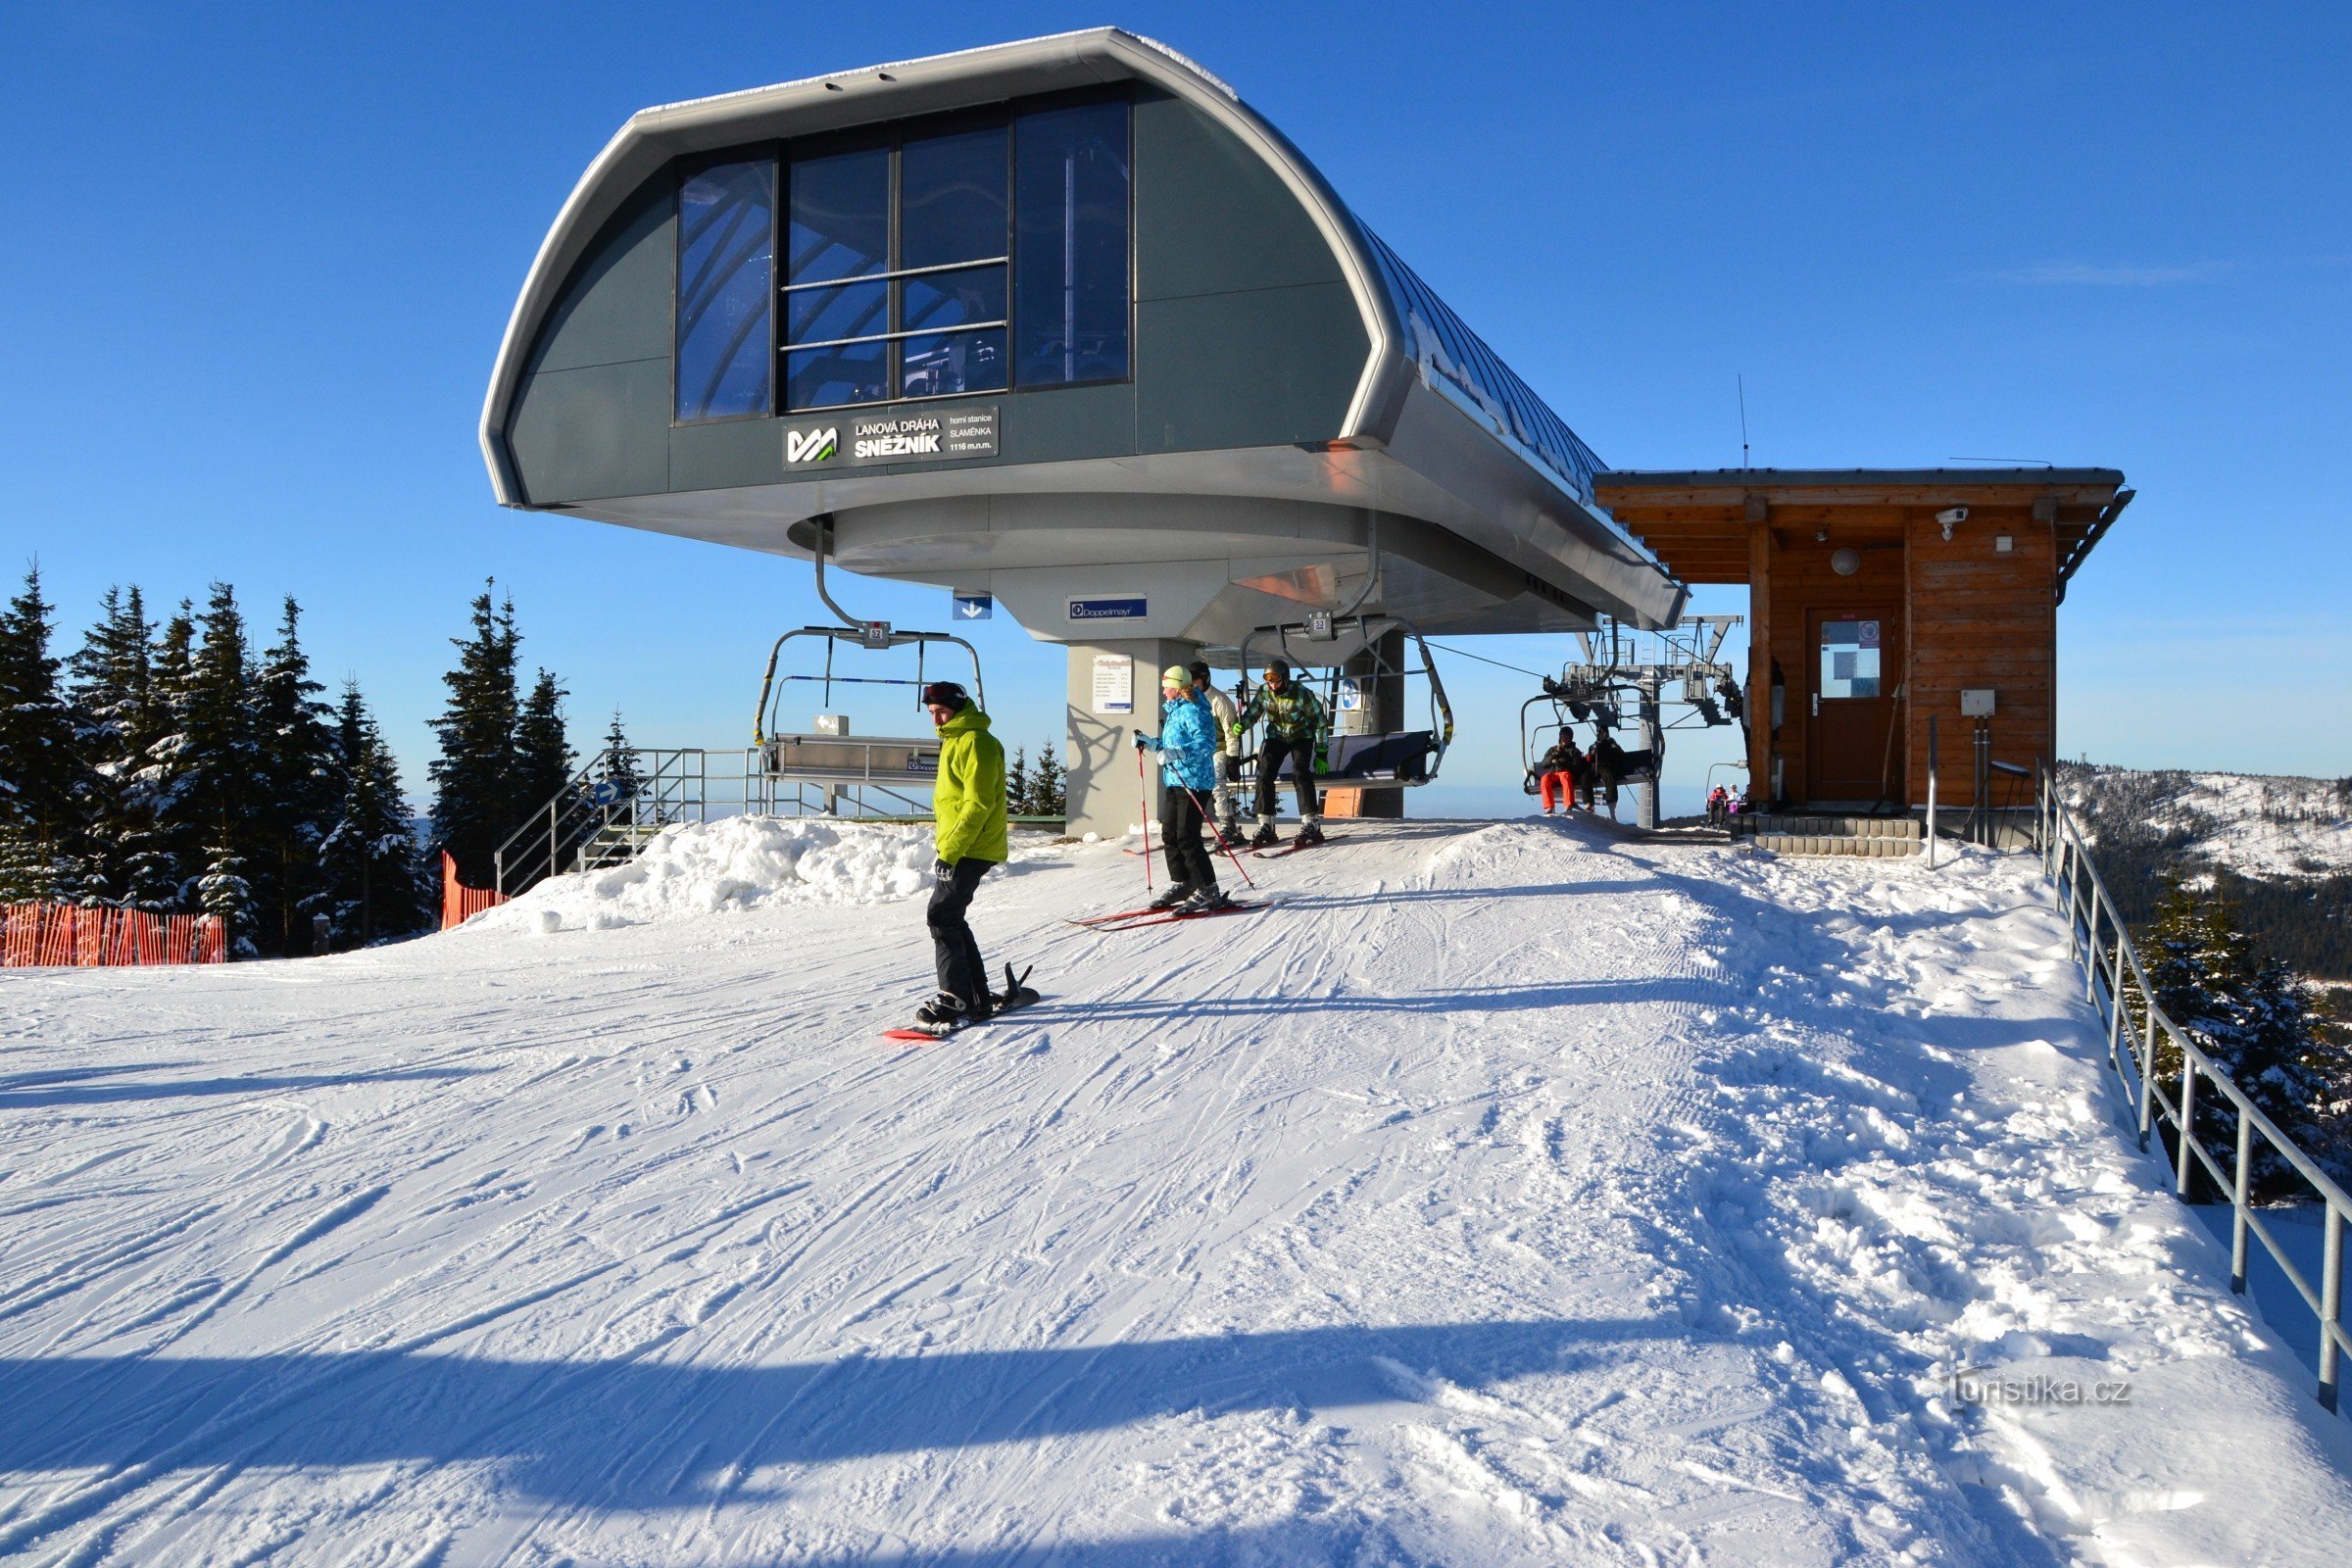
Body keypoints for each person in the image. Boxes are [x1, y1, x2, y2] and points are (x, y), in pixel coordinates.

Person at [914, 680, 1007, 1033]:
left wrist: (950, 852)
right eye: (932, 714)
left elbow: (978, 803)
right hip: (962, 846)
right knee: (950, 916)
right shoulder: (957, 739)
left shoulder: (977, 742)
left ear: (957, 708)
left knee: (941, 915)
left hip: (972, 847)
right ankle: (975, 994)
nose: (936, 720)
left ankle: (957, 998)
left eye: (941, 712)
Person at [1134, 666, 1229, 912]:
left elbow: (1206, 743)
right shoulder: (1176, 711)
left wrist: (1178, 753)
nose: (1164, 691)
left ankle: (1208, 889)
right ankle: (1184, 882)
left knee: (1187, 837)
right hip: (1175, 779)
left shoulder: (1196, 709)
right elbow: (1170, 744)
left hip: (1195, 781)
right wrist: (1152, 743)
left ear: (1177, 687)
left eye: (1166, 686)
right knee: (1170, 835)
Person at [1234, 658, 1327, 849]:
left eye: (1276, 681)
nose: (1272, 685)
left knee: (1299, 771)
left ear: (1285, 679)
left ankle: (1311, 823)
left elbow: (1320, 721)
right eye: (1269, 681)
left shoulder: (1302, 694)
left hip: (1301, 736)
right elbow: (1254, 712)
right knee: (1264, 773)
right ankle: (1266, 824)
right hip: (1277, 737)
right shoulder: (1265, 693)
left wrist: (1321, 753)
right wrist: (1243, 724)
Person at [1189, 659, 1244, 843]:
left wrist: (1233, 757)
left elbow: (1230, 732)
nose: (1193, 686)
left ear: (1205, 679)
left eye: (1196, 682)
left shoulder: (1219, 701)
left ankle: (1227, 825)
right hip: (1198, 751)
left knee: (1217, 782)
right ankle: (1192, 826)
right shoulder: (1190, 700)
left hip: (1218, 748)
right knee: (1191, 786)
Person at [1535, 726, 1587, 815]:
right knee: (1545, 778)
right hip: (1554, 774)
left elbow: (1576, 766)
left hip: (1566, 773)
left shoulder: (1574, 751)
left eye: (1567, 737)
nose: (1564, 739)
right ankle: (1549, 806)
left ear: (1570, 737)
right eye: (1563, 736)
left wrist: (1562, 762)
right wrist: (1552, 758)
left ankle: (1568, 804)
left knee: (1565, 776)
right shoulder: (1553, 749)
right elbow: (1544, 764)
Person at [1589, 728, 1628, 818]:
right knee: (1585, 778)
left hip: (1607, 767)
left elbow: (1621, 754)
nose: (1605, 735)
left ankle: (1611, 805)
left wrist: (1615, 746)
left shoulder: (1612, 745)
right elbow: (1590, 758)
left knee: (1609, 776)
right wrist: (1593, 751)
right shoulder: (1595, 745)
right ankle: (1589, 804)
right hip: (1596, 768)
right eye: (1603, 733)